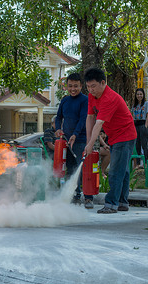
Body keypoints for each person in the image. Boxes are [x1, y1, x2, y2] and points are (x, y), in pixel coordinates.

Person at [83, 68, 137, 214]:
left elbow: (98, 124)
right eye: (88, 86)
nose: (90, 90)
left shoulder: (109, 98)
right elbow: (90, 118)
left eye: (93, 86)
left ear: (103, 83)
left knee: (115, 172)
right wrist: (89, 142)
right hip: (114, 136)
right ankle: (122, 203)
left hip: (125, 135)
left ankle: (111, 204)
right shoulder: (91, 96)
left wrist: (90, 144)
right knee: (123, 171)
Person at [55, 73, 93, 209]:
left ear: (81, 86)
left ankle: (88, 198)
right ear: (66, 86)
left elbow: (83, 119)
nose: (73, 89)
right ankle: (75, 195)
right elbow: (58, 117)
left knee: (83, 169)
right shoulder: (65, 101)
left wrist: (75, 135)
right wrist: (58, 129)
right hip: (66, 140)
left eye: (76, 86)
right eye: (70, 86)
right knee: (70, 168)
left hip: (80, 140)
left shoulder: (85, 100)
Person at [131, 88, 148, 169]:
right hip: (136, 125)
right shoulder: (134, 105)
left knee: (144, 145)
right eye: (138, 94)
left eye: (141, 94)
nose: (139, 96)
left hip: (143, 125)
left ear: (143, 95)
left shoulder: (146, 104)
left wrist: (146, 126)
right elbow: (132, 116)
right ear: (136, 95)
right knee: (137, 145)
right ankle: (138, 163)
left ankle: (146, 163)